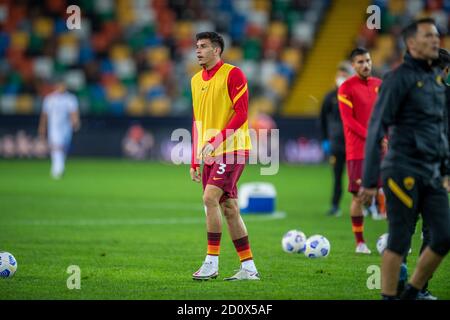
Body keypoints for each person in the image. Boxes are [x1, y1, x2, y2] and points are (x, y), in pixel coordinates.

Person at [360, 18, 450, 300]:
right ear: (411, 43)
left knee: (443, 236)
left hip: (432, 172)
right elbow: (377, 127)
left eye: (436, 36)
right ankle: (389, 296)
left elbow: (438, 131)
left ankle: (412, 292)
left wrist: (445, 168)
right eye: (428, 36)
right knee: (399, 239)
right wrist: (371, 178)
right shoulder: (398, 79)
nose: (435, 40)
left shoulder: (436, 81)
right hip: (402, 169)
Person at [190, 32, 259, 281]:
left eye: (204, 46)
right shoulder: (195, 80)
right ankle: (249, 268)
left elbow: (241, 114)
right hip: (209, 153)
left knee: (209, 198)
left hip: (232, 148)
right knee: (229, 208)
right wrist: (195, 159)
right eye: (197, 46)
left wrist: (215, 141)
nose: (198, 51)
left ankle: (211, 262)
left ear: (217, 50)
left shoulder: (233, 74)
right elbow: (197, 121)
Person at [337, 48, 383, 254]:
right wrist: (374, 138)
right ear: (353, 65)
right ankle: (360, 243)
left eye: (368, 60)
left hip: (381, 148)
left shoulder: (379, 85)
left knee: (393, 193)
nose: (365, 65)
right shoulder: (346, 88)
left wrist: (387, 137)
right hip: (359, 151)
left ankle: (399, 241)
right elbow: (349, 121)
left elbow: (386, 116)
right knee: (359, 197)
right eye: (360, 62)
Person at [319, 61, 353, 217]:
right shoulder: (330, 97)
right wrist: (325, 139)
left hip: (354, 143)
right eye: (340, 75)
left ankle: (364, 206)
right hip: (336, 143)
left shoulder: (354, 95)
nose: (341, 77)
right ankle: (335, 206)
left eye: (344, 75)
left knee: (358, 177)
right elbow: (322, 119)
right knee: (337, 177)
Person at [38, 79, 80, 179]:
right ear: (56, 86)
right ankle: (57, 170)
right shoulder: (49, 99)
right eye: (60, 85)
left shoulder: (70, 98)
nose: (62, 87)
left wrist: (75, 122)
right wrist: (42, 127)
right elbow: (44, 115)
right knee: (57, 146)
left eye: (63, 85)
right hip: (54, 127)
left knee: (64, 148)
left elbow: (74, 112)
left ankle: (58, 166)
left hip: (66, 127)